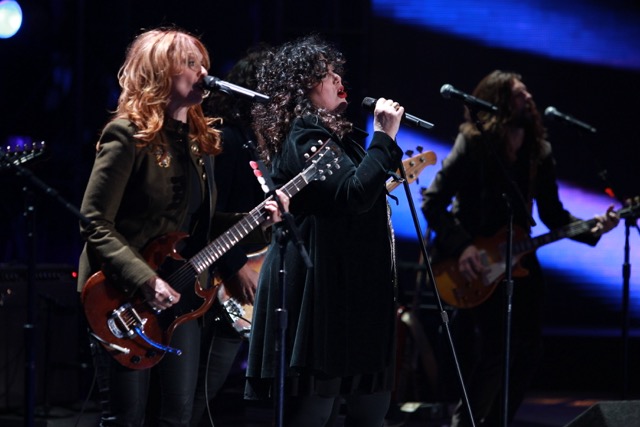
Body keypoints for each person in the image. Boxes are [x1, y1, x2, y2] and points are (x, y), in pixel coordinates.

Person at [77, 28, 286, 426]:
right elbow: (95, 221)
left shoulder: (197, 141)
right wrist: (145, 280)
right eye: (189, 64)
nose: (202, 71)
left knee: (177, 415)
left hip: (180, 296)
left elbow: (202, 226)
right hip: (120, 296)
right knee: (128, 417)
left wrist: (260, 219)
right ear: (158, 73)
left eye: (202, 62)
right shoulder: (127, 136)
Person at [420, 70, 619, 426]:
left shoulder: (537, 151)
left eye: (527, 93)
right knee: (495, 350)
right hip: (473, 263)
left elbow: (553, 214)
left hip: (519, 261)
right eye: (518, 94)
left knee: (528, 351)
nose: (528, 99)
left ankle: (497, 422)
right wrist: (463, 247)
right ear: (497, 102)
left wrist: (594, 228)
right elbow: (433, 202)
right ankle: (466, 422)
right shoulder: (473, 142)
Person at [244, 34, 405, 427]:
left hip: (353, 296)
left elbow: (357, 196)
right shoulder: (304, 135)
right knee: (317, 411)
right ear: (303, 87)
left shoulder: (337, 140)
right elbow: (352, 194)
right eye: (327, 74)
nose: (337, 80)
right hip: (324, 298)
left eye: (336, 72)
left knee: (371, 409)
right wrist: (384, 138)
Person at [190, 45, 272, 427]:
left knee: (204, 398)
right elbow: (204, 216)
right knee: (191, 398)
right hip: (218, 284)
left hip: (242, 288)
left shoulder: (258, 143)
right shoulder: (227, 139)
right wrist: (235, 266)